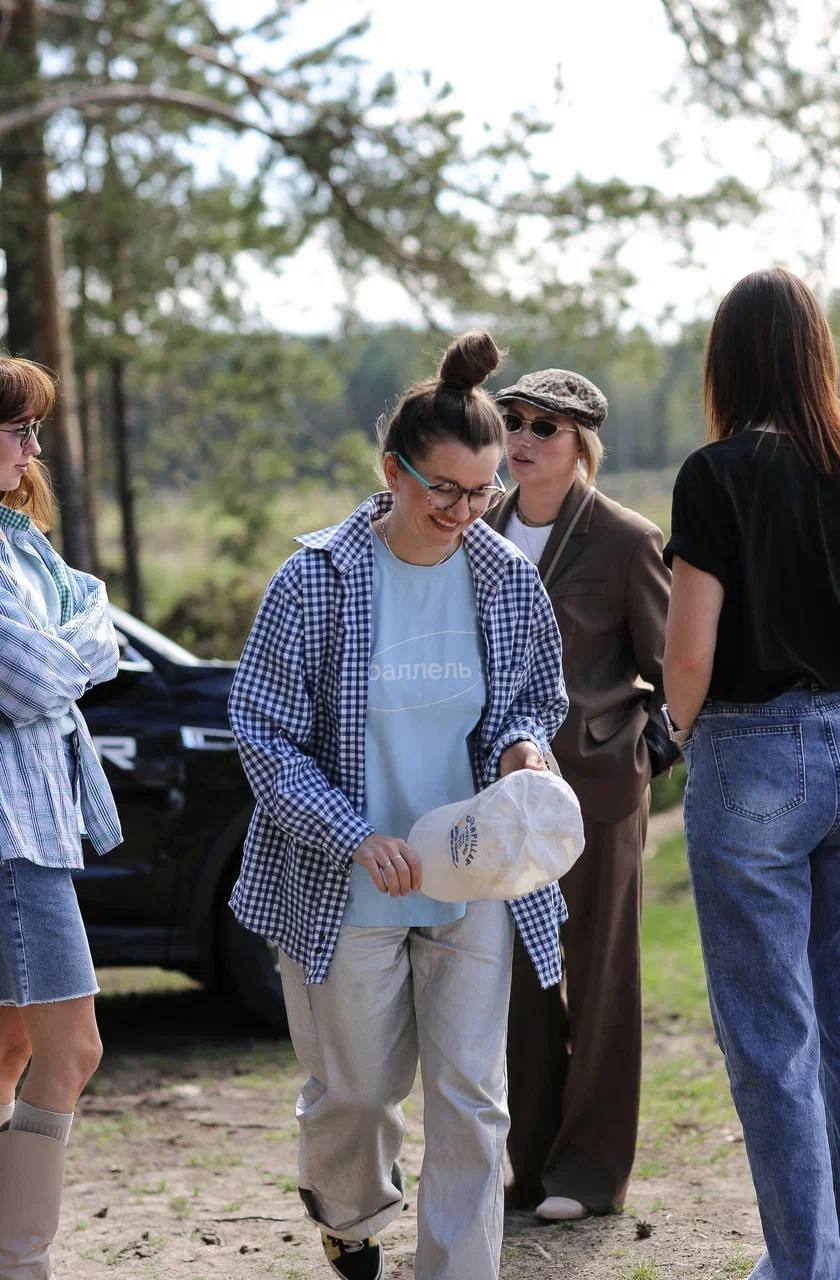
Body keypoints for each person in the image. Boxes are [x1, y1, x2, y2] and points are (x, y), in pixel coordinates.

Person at [228, 331, 569, 1280]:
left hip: (470, 880)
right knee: (357, 1094)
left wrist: (522, 744)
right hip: (349, 885)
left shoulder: (504, 577)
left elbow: (537, 695)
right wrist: (353, 835)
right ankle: (348, 1213)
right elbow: (260, 731)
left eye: (484, 491)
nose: (465, 512)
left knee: (470, 1097)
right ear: (393, 470)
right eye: (444, 490)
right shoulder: (316, 581)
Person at [662, 266, 840, 1280]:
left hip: (752, 758)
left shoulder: (714, 473)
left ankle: (802, 1266)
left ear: (726, 361)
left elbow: (689, 651)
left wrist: (663, 734)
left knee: (770, 1035)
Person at [485, 367, 675, 1221]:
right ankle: (529, 1171)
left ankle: (588, 1176)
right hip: (499, 796)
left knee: (598, 979)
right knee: (518, 979)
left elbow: (674, 669)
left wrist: (640, 751)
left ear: (580, 446)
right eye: (512, 420)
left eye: (543, 428)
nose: (521, 438)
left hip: (596, 786)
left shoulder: (626, 538)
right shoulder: (475, 525)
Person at [0, 357, 122, 1277]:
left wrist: (68, 643)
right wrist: (70, 646)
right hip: (10, 835)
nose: (33, 447)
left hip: (37, 822)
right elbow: (42, 674)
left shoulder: (19, 542)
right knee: (72, 1047)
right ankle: (23, 1259)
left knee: (10, 1046)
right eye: (18, 429)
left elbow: (98, 618)